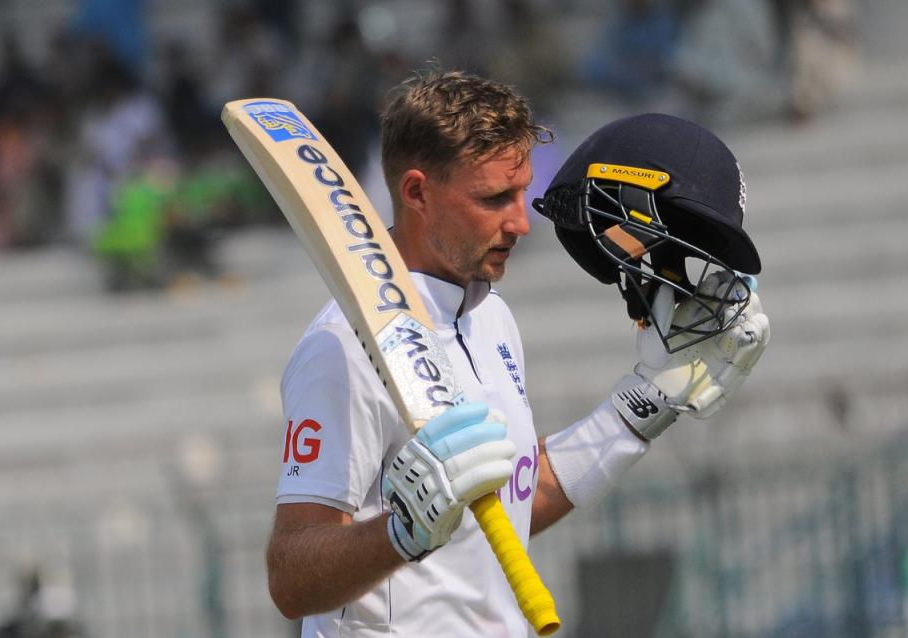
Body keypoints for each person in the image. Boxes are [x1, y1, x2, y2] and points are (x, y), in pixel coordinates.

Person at [266, 70, 770, 637]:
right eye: (494, 199)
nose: (520, 222)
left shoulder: (492, 318)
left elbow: (508, 509)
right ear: (416, 193)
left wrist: (641, 409)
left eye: (522, 193)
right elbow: (291, 580)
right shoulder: (341, 347)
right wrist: (399, 532)